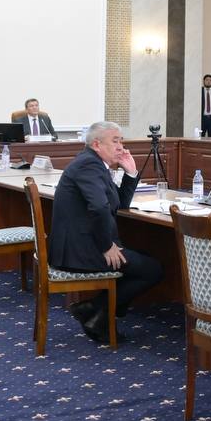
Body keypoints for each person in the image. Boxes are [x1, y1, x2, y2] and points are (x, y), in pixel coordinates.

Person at [49, 121, 163, 344]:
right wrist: (106, 246)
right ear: (97, 144)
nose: (121, 147)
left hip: (81, 244)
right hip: (79, 251)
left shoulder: (94, 163)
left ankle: (95, 310)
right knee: (153, 270)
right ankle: (97, 311)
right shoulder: (89, 165)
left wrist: (131, 173)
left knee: (145, 258)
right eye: (115, 141)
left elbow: (118, 203)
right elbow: (99, 208)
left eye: (121, 141)